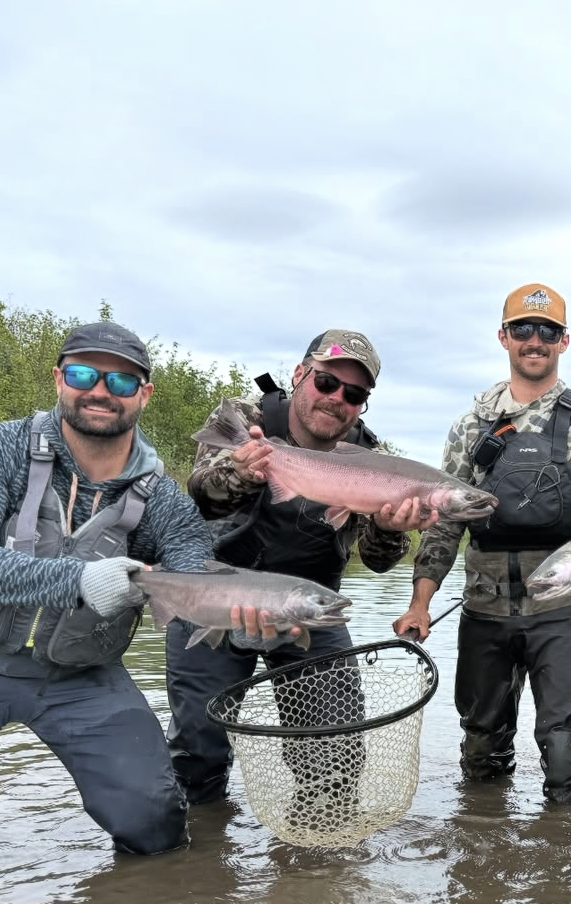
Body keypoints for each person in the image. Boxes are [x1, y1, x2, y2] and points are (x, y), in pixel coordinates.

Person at [0, 321, 213, 886]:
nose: (100, 391)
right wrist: (79, 581)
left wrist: (250, 615)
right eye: (83, 373)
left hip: (83, 674)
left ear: (144, 395)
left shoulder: (164, 499)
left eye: (122, 381)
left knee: (155, 827)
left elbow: (196, 573)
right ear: (58, 379)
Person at [166, 328, 432, 806]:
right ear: (299, 375)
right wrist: (243, 472)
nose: (337, 400)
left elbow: (376, 562)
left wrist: (392, 527)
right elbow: (203, 495)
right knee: (197, 752)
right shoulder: (245, 419)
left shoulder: (366, 459)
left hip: (311, 606)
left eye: (354, 394)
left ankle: (313, 869)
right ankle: (199, 866)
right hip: (215, 596)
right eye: (327, 383)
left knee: (337, 756)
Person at [392, 283, 571, 804]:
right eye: (522, 329)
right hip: (483, 609)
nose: (534, 341)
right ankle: (480, 863)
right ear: (504, 337)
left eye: (547, 331)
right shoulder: (469, 425)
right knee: (481, 752)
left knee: (565, 755)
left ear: (564, 341)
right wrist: (418, 605)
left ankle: (565, 867)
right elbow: (444, 526)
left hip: (562, 612)